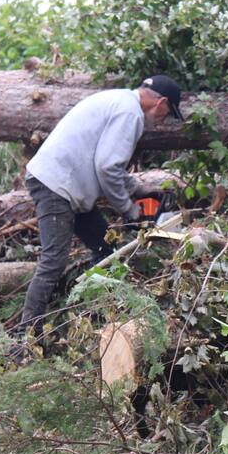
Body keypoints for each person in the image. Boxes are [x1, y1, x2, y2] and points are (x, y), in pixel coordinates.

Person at [18, 75, 184, 336]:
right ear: (161, 102)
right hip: (57, 186)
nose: (164, 119)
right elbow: (107, 167)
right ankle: (25, 336)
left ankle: (100, 312)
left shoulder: (118, 100)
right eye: (168, 113)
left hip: (68, 186)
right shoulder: (130, 113)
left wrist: (139, 189)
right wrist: (129, 210)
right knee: (53, 262)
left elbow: (105, 162)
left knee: (105, 249)